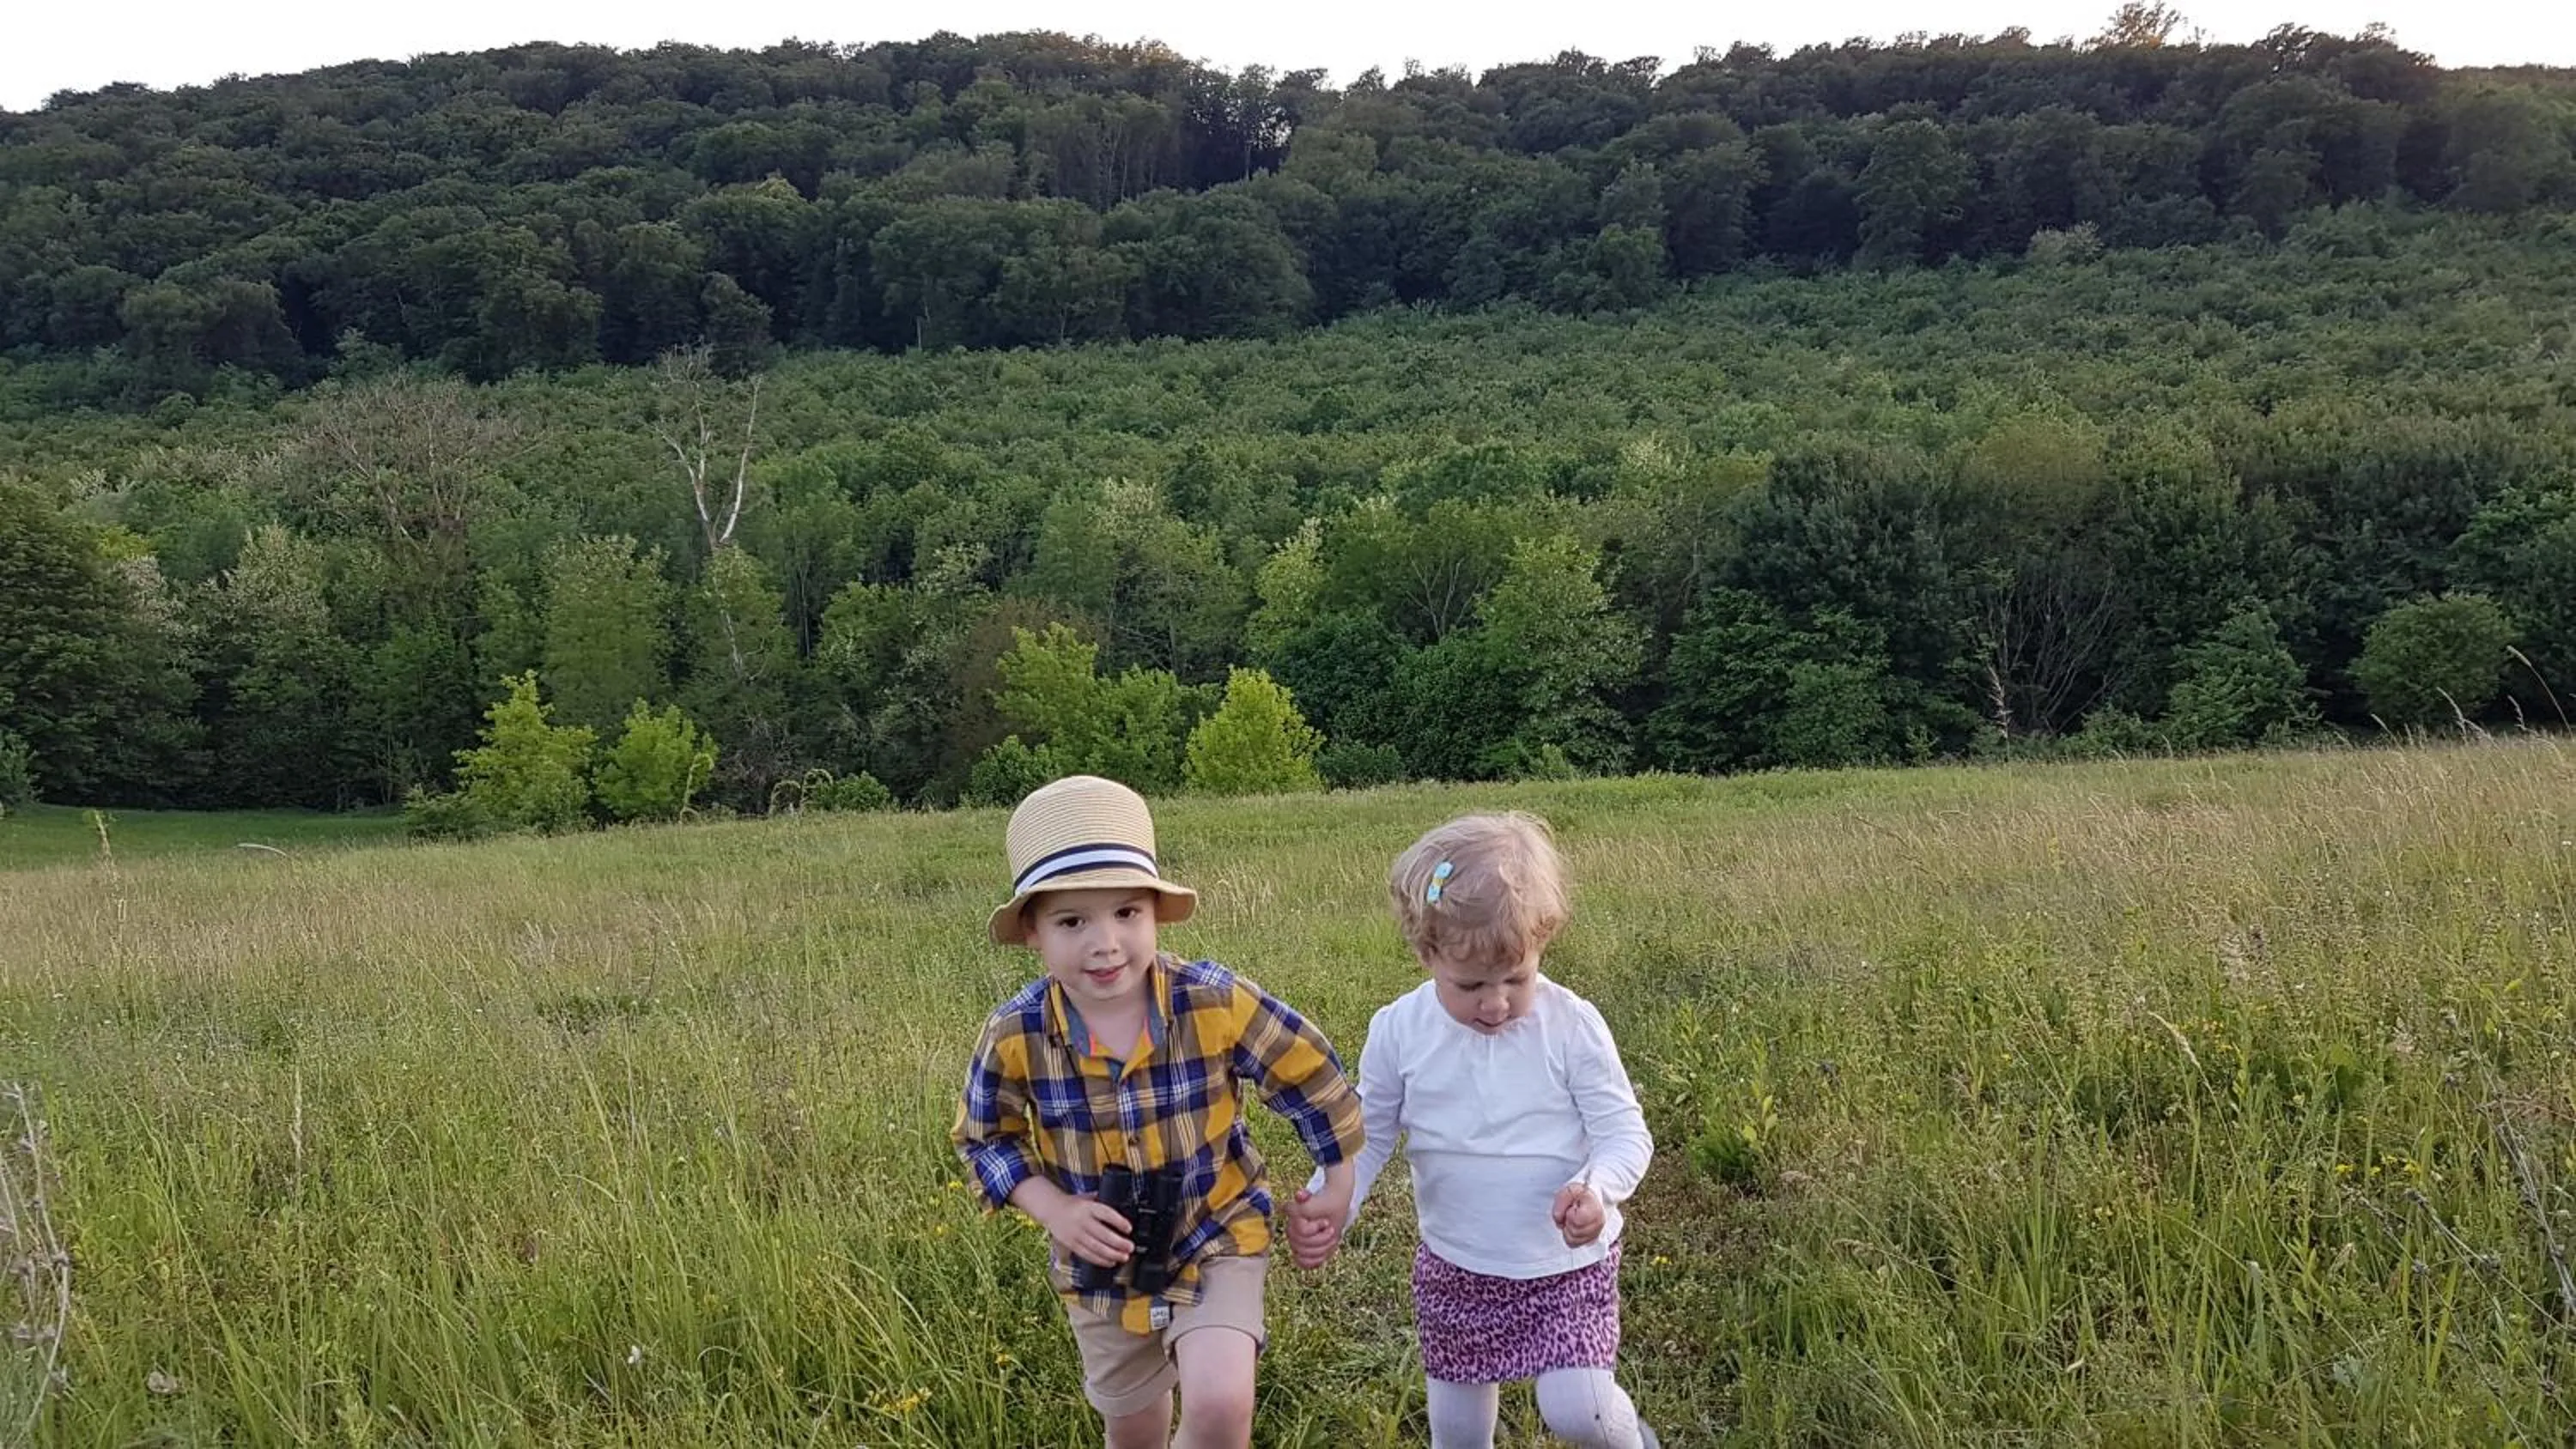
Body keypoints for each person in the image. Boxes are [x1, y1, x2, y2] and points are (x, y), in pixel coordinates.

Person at [954, 774, 1363, 1448]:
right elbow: (984, 1139)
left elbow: (1312, 1073)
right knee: (1135, 1430)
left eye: (1126, 913)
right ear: (1032, 932)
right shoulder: (1016, 1033)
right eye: (1072, 921)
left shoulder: (1212, 1000)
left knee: (1220, 1406)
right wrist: (1056, 1210)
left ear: (1155, 912)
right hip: (1102, 1267)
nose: (1105, 943)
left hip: (1216, 1228)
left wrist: (1337, 1183)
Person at [1294, 811, 1659, 1448]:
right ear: (1426, 952)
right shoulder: (1399, 1031)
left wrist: (1597, 1189)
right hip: (1457, 1268)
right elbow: (1368, 1134)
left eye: (1516, 978)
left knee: (1582, 1413)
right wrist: (1334, 1200)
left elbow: (1625, 1132)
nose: (1495, 1003)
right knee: (1458, 1433)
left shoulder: (1570, 1025)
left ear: (1542, 944)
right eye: (1470, 985)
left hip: (1566, 1266)